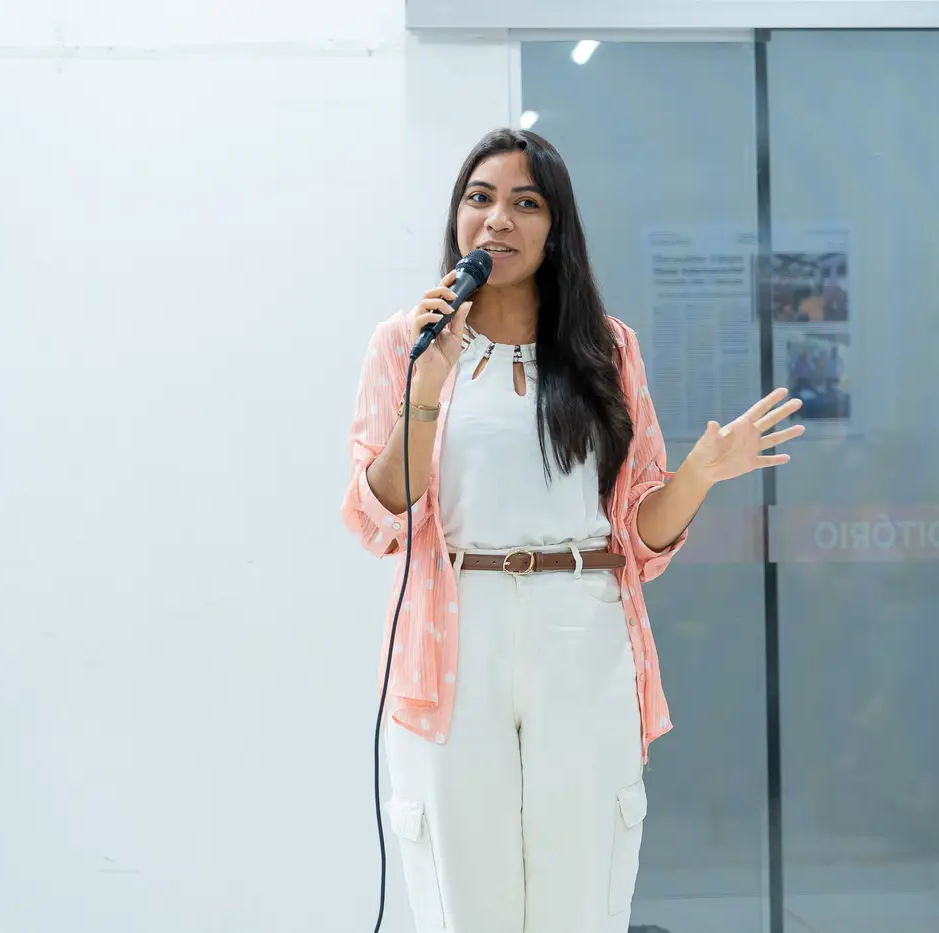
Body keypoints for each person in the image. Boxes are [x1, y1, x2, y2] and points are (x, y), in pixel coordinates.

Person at [341, 128, 803, 933]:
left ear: (556, 230)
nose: (497, 219)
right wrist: (427, 389)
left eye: (526, 203)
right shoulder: (404, 342)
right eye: (480, 198)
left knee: (581, 888)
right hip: (456, 632)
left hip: (581, 624)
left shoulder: (607, 349)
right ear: (457, 216)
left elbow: (636, 533)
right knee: (464, 888)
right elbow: (383, 515)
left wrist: (699, 472)